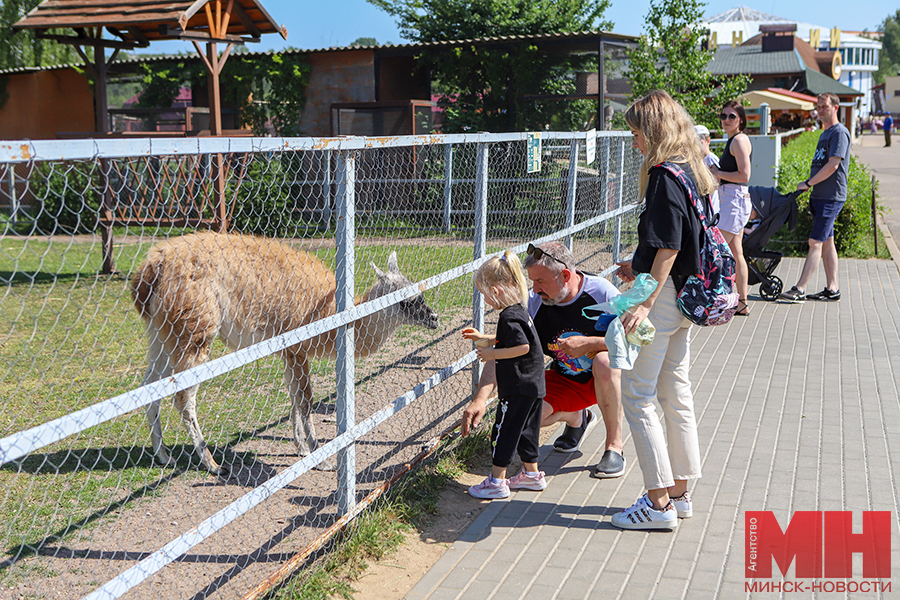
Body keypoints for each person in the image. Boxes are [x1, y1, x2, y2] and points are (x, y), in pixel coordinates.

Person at [610, 90, 712, 531]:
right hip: (683, 293)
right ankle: (680, 493)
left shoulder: (664, 176)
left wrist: (645, 302)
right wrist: (638, 264)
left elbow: (669, 244)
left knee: (637, 394)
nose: (633, 141)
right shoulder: (691, 168)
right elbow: (676, 240)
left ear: (653, 130)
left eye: (636, 133)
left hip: (664, 297)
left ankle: (657, 505)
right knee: (676, 393)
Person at [461, 241, 626, 479]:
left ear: (565, 275)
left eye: (540, 281)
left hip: (609, 378)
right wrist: (480, 399)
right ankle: (577, 418)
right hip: (566, 379)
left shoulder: (602, 292)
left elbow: (636, 340)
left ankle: (614, 447)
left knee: (603, 361)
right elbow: (502, 352)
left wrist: (591, 344)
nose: (534, 289)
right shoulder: (535, 302)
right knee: (524, 417)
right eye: (532, 281)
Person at [462, 251, 548, 499]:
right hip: (533, 385)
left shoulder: (508, 316)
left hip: (517, 387)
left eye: (485, 295)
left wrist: (493, 354)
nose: (486, 301)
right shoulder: (520, 310)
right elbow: (517, 339)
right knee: (527, 431)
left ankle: (496, 482)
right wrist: (486, 338)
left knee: (504, 431)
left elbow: (522, 347)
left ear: (496, 291)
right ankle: (532, 475)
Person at [779, 92, 851, 303]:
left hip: (831, 197)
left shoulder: (839, 133)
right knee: (827, 242)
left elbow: (833, 165)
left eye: (824, 106)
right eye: (818, 107)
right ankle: (832, 289)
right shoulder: (824, 134)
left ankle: (799, 289)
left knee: (815, 242)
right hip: (819, 196)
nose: (820, 110)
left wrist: (809, 183)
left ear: (835, 107)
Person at [709, 101, 752, 317]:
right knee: (737, 252)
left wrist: (717, 172)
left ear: (741, 120)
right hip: (733, 199)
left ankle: (710, 297)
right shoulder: (733, 140)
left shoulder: (739, 141)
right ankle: (741, 303)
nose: (726, 120)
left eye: (731, 116)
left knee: (714, 250)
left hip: (734, 200)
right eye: (723, 116)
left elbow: (745, 176)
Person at [694, 124, 720, 214]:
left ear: (707, 141)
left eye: (700, 143)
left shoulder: (711, 159)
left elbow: (717, 183)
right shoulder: (698, 160)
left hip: (712, 206)